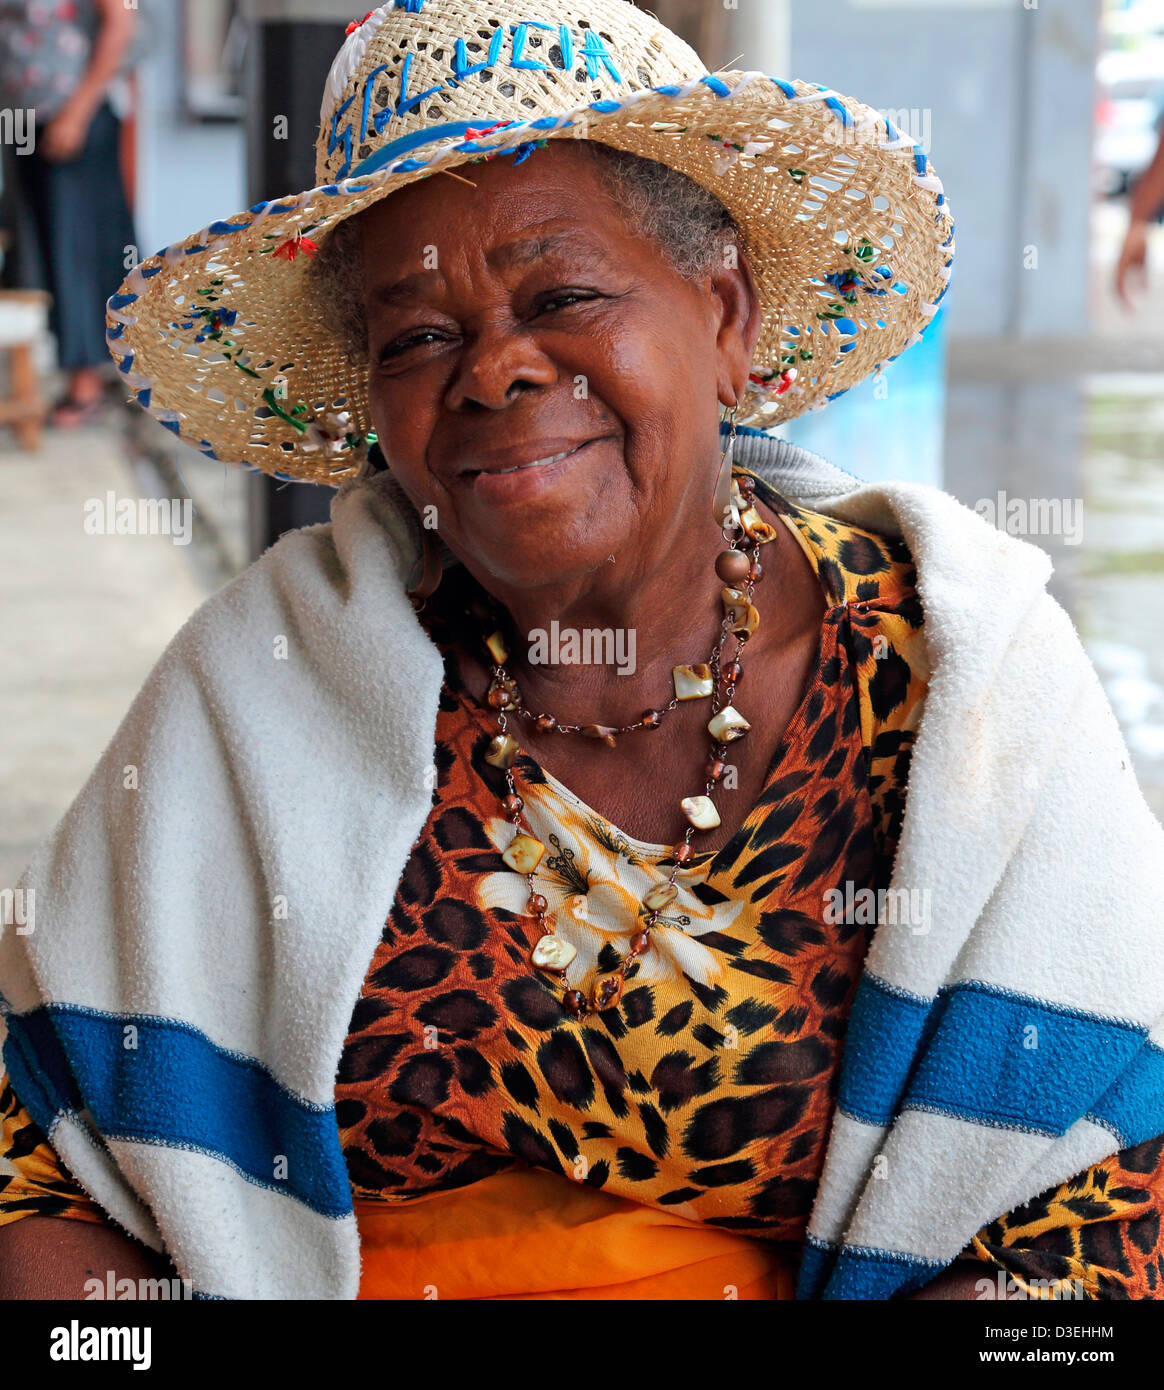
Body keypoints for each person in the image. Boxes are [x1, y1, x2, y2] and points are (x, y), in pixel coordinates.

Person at [2, 0, 1163, 1301]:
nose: (493, 371)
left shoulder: (965, 688)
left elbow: (1098, 1225)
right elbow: (32, 1158)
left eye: (562, 295)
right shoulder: (257, 688)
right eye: (420, 336)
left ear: (724, 317)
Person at [0, 0, 139, 428]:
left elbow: (121, 23)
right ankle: (59, 372)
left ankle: (87, 381)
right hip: (21, 114)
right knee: (32, 245)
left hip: (74, 112)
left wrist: (77, 114)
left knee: (76, 245)